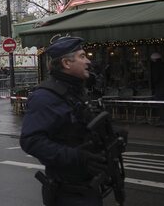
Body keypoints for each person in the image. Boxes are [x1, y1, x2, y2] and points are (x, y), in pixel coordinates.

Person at [20, 36, 110, 206]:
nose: (88, 61)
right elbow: (30, 141)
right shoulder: (45, 97)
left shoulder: (76, 91)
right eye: (82, 56)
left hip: (87, 186)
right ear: (66, 63)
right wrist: (78, 157)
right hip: (68, 192)